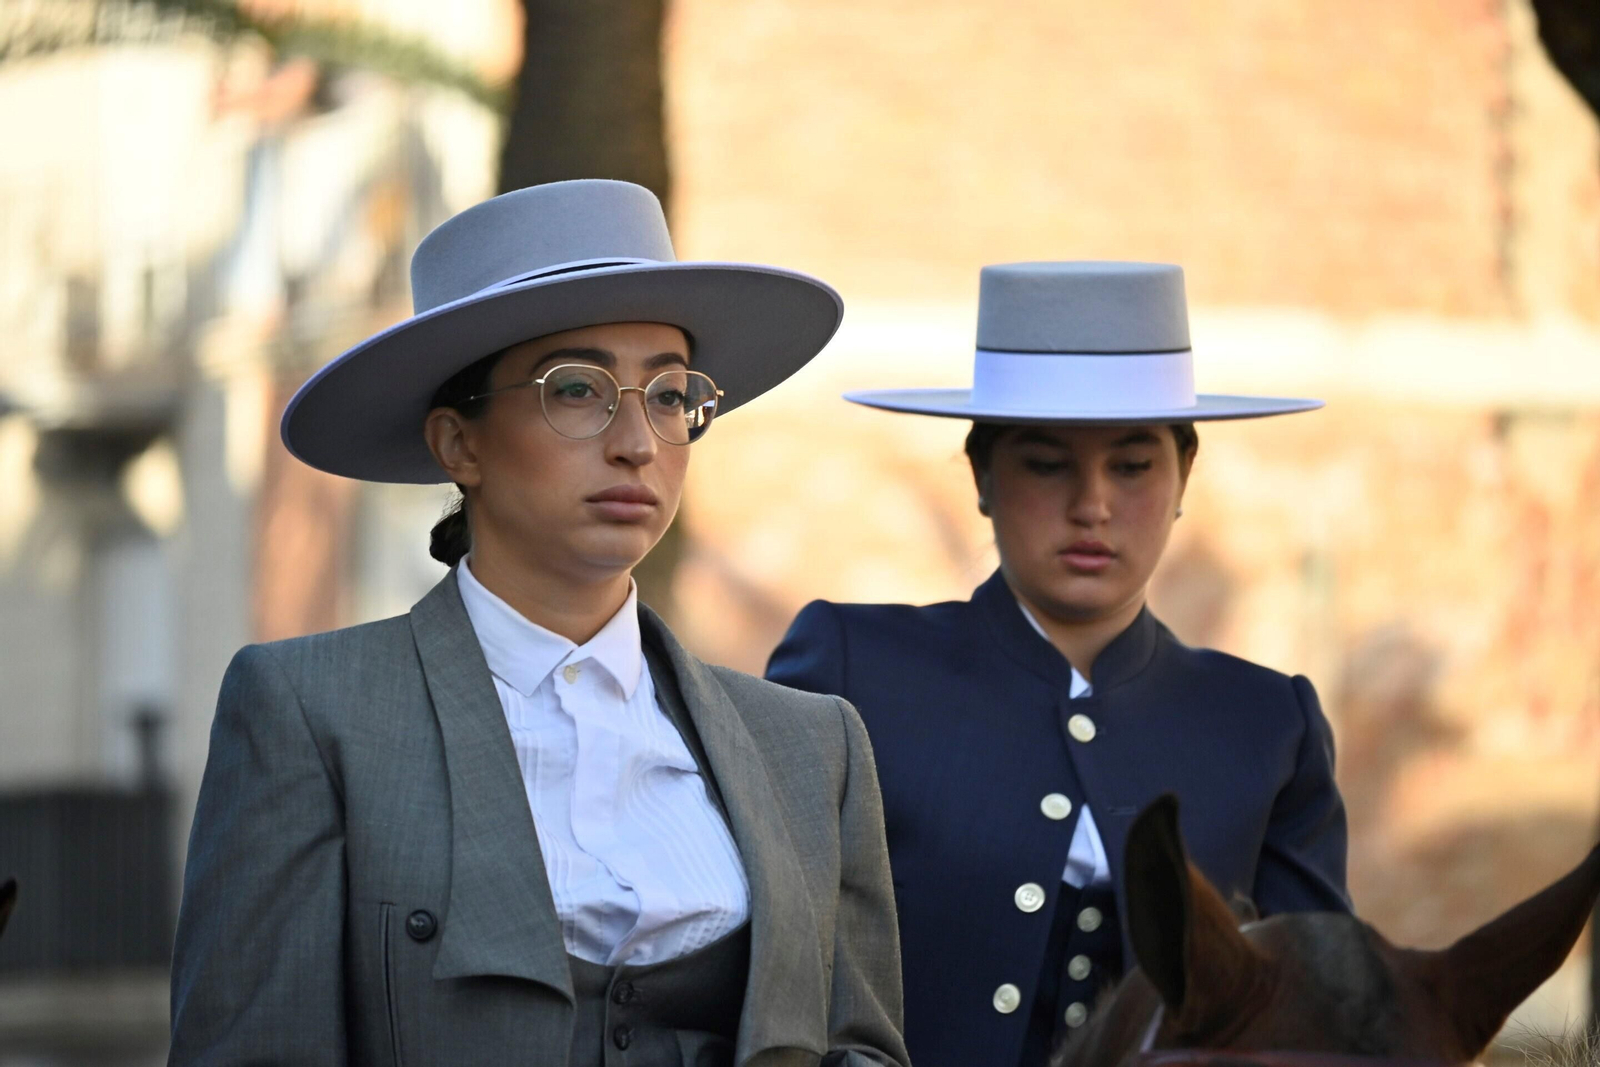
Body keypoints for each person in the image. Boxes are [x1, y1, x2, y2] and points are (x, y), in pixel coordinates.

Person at [169, 179, 908, 1067]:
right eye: (577, 389)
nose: (637, 440)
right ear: (459, 443)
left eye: (670, 395)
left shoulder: (810, 746)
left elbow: (863, 1050)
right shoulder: (312, 711)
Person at [766, 262, 1349, 1067]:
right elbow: (766, 964)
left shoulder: (1264, 724)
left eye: (1134, 464)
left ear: (1184, 476)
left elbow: (1316, 1019)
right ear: (981, 476)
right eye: (1047, 462)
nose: (1094, 504)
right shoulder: (853, 669)